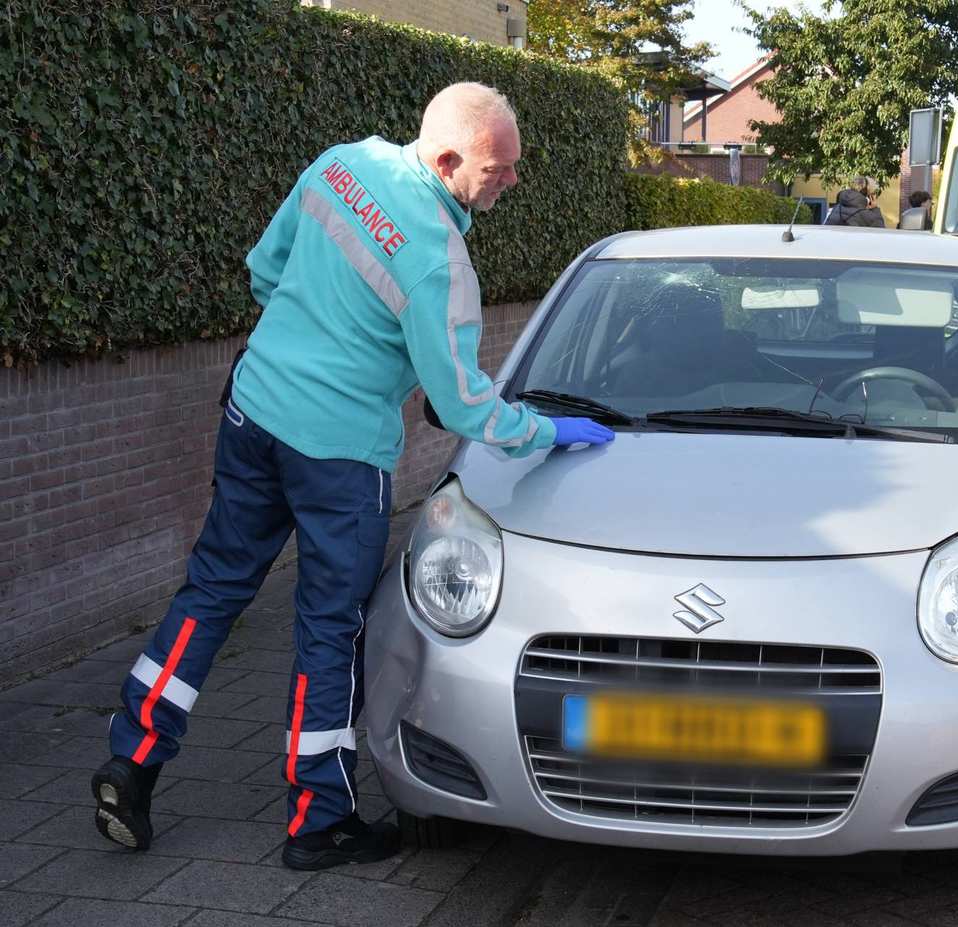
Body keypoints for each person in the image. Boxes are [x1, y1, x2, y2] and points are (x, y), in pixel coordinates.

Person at [90, 82, 615, 871]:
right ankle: (317, 818)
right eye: (498, 168)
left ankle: (130, 762)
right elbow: (463, 403)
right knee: (329, 629)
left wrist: (312, 337)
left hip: (254, 413)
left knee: (214, 588)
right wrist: (549, 431)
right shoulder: (439, 258)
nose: (511, 181)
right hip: (338, 460)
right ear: (446, 159)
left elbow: (265, 272)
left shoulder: (340, 166)